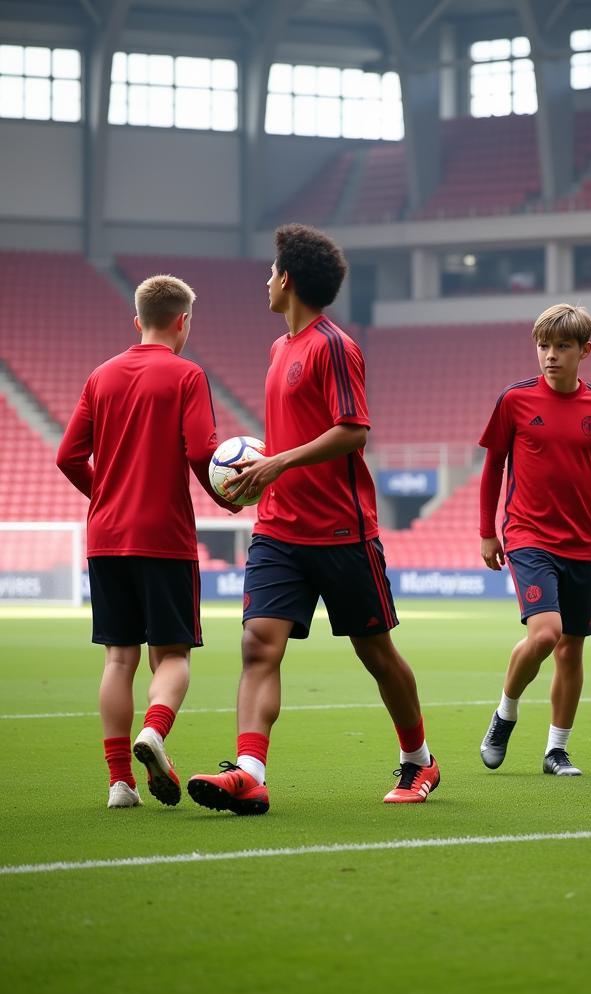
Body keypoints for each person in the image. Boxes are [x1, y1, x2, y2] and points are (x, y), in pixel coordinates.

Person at [186, 224, 439, 814]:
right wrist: (259, 478)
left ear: (288, 279)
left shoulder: (335, 346)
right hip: (278, 528)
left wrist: (277, 463)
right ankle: (249, 772)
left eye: (271, 272)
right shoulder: (278, 349)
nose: (266, 281)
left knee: (375, 653)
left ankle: (420, 761)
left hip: (341, 530)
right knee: (257, 645)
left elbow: (353, 432)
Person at [56, 274, 237, 809]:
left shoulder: (101, 376)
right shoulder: (186, 375)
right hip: (164, 536)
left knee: (118, 659)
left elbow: (68, 456)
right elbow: (203, 452)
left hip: (106, 537)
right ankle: (155, 730)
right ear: (183, 321)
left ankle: (119, 784)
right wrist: (229, 499)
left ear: (138, 321)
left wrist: (103, 498)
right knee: (172, 653)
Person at [478, 303, 591, 777]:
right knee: (545, 634)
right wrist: (487, 531)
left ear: (584, 351)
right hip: (527, 535)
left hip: (585, 542)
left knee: (571, 646)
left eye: (562, 346)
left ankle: (556, 750)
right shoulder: (514, 401)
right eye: (544, 346)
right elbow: (491, 470)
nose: (550, 355)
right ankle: (505, 714)